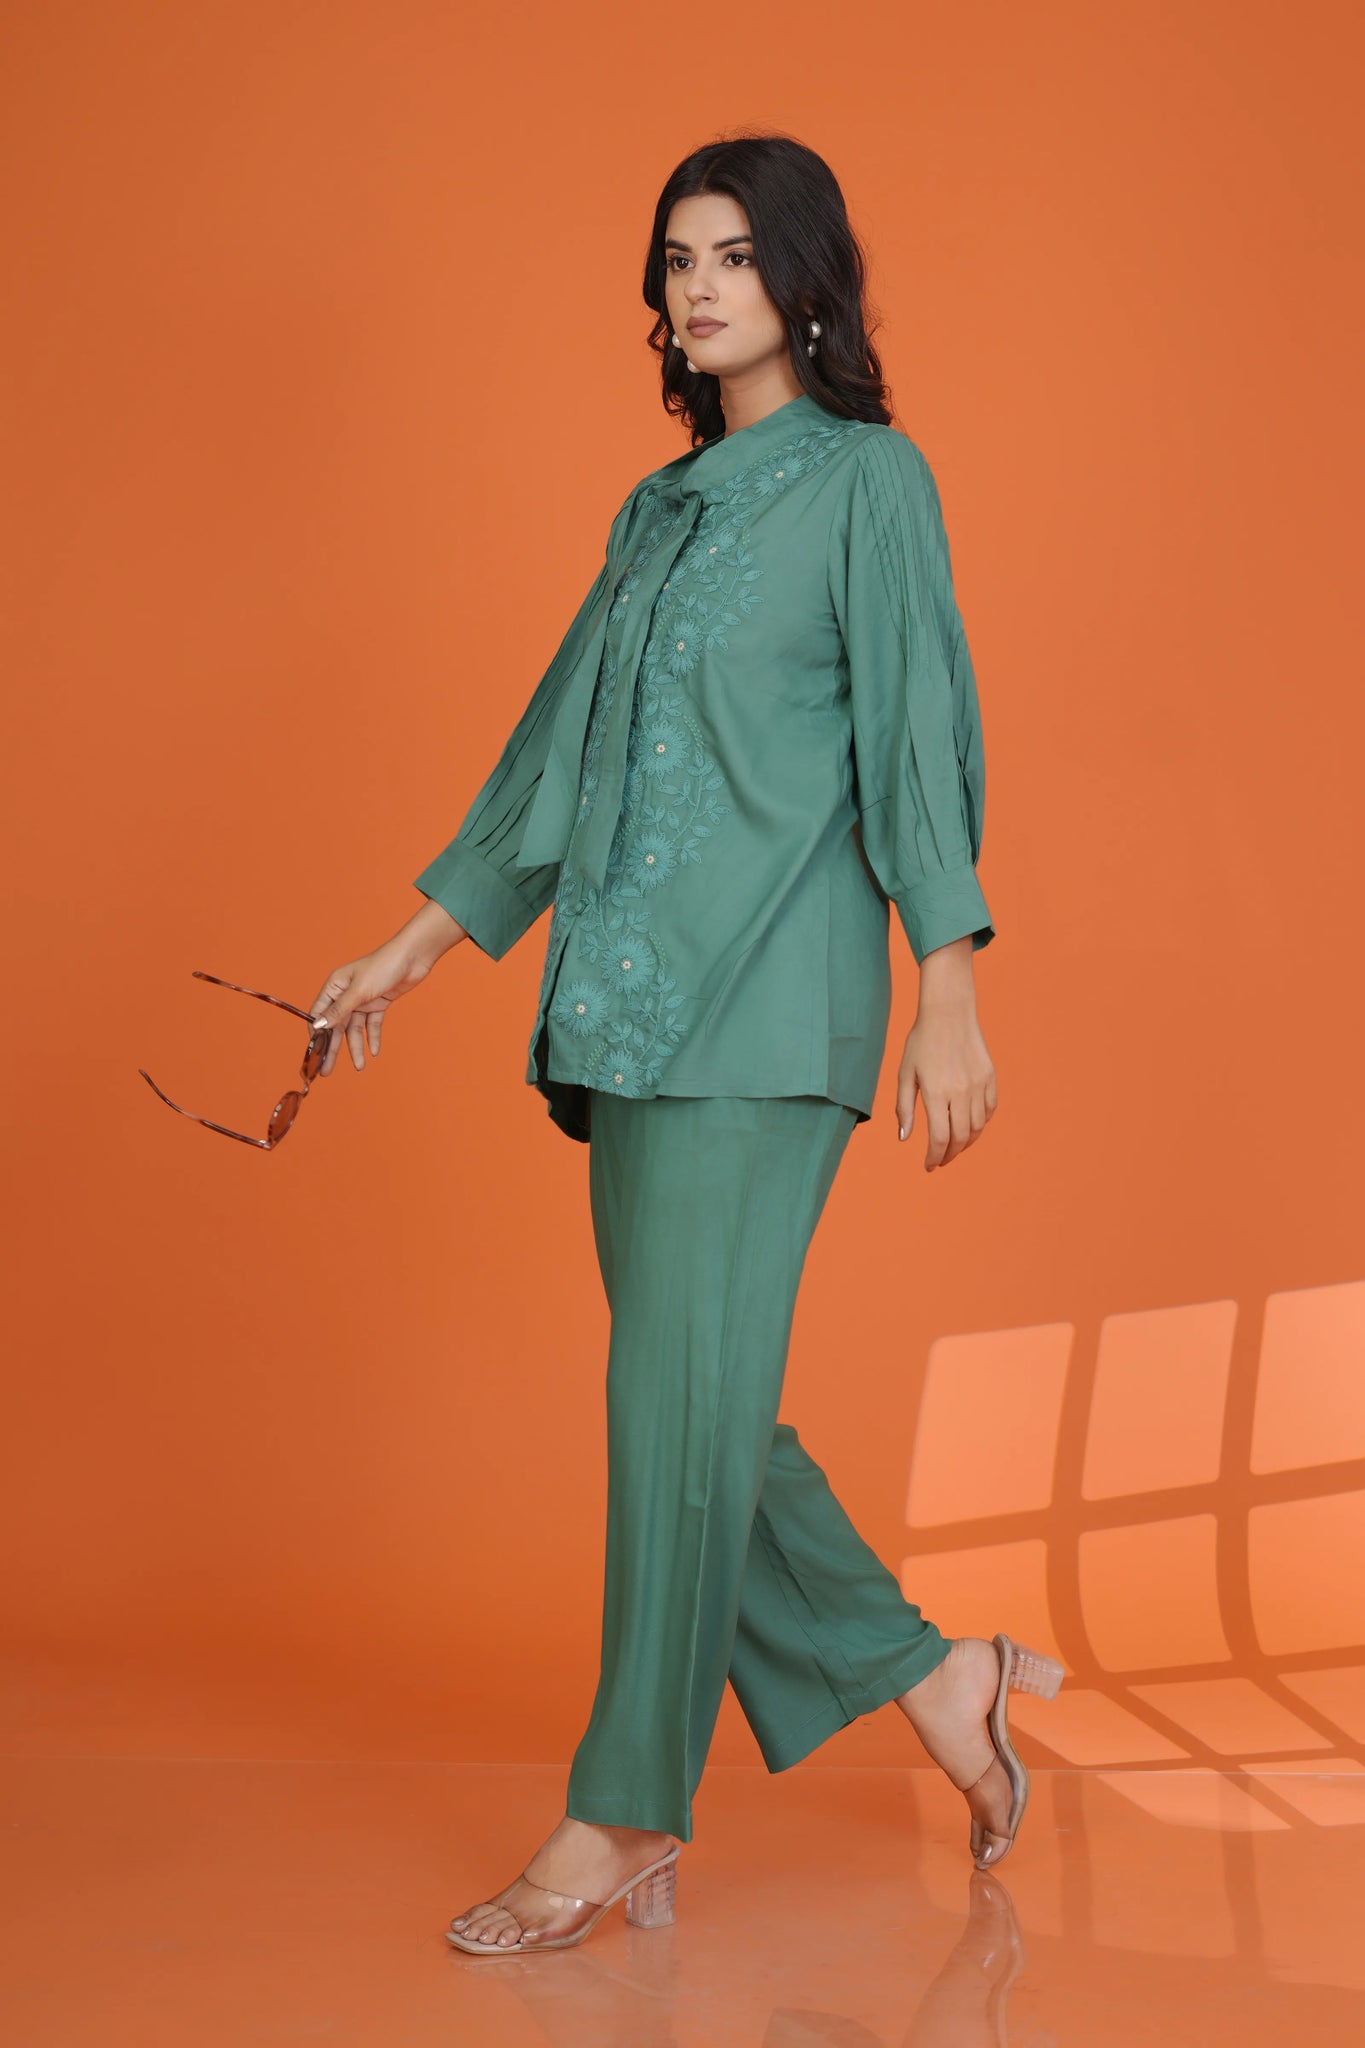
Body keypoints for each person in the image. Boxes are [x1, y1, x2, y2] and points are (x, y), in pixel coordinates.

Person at [308, 135, 1063, 1957]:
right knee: (694, 1400)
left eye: (733, 254)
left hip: (773, 1005)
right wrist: (414, 947)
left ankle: (624, 1808)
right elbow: (555, 756)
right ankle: (937, 1677)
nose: (701, 286)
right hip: (627, 1013)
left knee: (671, 1402)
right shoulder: (655, 513)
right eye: (676, 259)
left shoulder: (869, 481)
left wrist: (948, 982)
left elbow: (915, 731)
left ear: (802, 279)